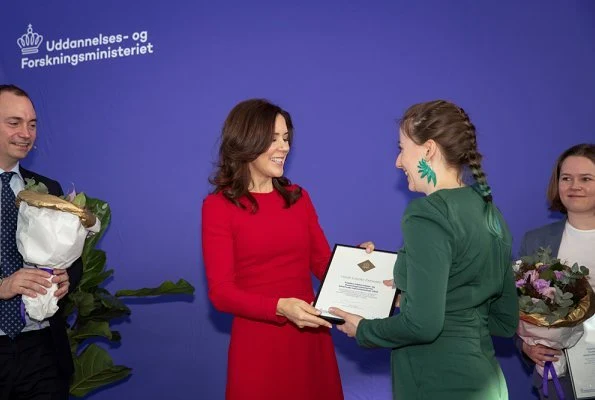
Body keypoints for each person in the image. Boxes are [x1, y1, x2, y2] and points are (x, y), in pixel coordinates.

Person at [330, 100, 519, 399]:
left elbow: (423, 326)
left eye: (402, 148)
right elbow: (505, 320)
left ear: (428, 149)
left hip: (438, 382)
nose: (397, 162)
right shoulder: (489, 212)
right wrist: (412, 299)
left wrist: (364, 329)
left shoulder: (426, 214)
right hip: (487, 382)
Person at [201, 99, 344, 400]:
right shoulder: (219, 207)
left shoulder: (298, 197)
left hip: (310, 339)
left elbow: (321, 263)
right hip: (259, 347)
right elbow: (221, 292)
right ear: (246, 141)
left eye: (286, 138)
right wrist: (280, 307)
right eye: (273, 139)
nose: (284, 147)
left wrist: (356, 264)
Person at [0, 84, 81, 399]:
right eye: (14, 122)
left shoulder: (47, 187)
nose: (26, 133)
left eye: (32, 124)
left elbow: (74, 261)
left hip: (42, 351)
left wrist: (65, 278)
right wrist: (3, 286)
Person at [517, 143, 595, 400]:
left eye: (586, 179)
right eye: (566, 178)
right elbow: (515, 308)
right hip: (560, 377)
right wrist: (528, 347)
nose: (574, 186)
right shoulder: (535, 241)